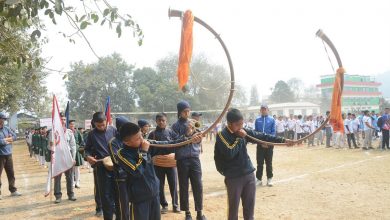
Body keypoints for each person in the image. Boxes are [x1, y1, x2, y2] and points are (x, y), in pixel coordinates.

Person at [214, 108, 291, 220]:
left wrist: (283, 140)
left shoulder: (242, 130)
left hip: (248, 175)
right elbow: (230, 152)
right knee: (233, 211)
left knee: (249, 211)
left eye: (242, 123)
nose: (240, 127)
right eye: (237, 124)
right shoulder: (222, 135)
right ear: (229, 124)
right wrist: (241, 138)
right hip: (233, 178)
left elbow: (261, 136)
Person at [115, 122, 202, 220]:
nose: (142, 140)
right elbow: (137, 171)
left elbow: (169, 144)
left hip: (154, 194)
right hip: (139, 200)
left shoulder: (144, 143)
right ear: (127, 142)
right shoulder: (122, 154)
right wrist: (144, 152)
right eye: (138, 138)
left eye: (141, 136)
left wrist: (188, 139)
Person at [171, 100, 206, 220]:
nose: (187, 113)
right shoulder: (174, 126)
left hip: (195, 158)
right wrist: (188, 134)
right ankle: (187, 212)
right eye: (185, 111)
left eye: (188, 110)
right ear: (180, 112)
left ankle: (199, 212)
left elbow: (200, 137)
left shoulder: (195, 123)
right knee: (184, 185)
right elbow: (175, 142)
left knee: (198, 185)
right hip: (182, 159)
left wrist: (198, 137)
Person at [85, 112, 117, 219]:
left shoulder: (113, 130)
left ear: (106, 121)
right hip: (101, 167)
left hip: (116, 165)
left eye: (103, 124)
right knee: (105, 193)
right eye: (98, 126)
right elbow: (87, 149)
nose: (102, 127)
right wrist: (88, 157)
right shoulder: (91, 134)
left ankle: (117, 212)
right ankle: (106, 215)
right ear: (94, 124)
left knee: (117, 191)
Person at [148, 113, 180, 214]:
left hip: (170, 164)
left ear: (166, 121)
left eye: (163, 120)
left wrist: (174, 156)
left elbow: (178, 143)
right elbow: (148, 150)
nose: (161, 122)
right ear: (156, 121)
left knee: (173, 184)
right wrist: (152, 159)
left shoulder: (171, 132)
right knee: (160, 185)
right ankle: (164, 205)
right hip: (158, 165)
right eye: (159, 120)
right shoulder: (152, 134)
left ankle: (175, 205)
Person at [108, 116, 131, 220]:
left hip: (133, 176)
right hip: (121, 178)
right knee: (123, 205)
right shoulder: (113, 142)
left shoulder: (131, 139)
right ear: (120, 127)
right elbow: (117, 160)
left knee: (133, 203)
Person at [53, 112, 77, 203]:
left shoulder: (69, 132)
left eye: (64, 119)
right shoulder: (53, 132)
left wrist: (73, 158)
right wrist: (52, 144)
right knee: (57, 177)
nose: (63, 121)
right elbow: (49, 146)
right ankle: (58, 196)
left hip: (68, 158)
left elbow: (73, 146)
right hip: (58, 158)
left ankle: (71, 194)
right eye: (61, 119)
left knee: (70, 177)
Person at [0, 112, 21, 199]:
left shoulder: (6, 128)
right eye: (2, 119)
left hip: (8, 154)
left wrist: (6, 139)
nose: (4, 121)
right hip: (0, 155)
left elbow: (15, 137)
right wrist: (8, 140)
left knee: (11, 173)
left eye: (4, 119)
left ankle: (13, 190)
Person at [254, 104, 276, 186]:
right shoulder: (257, 120)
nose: (263, 111)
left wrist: (267, 143)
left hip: (269, 145)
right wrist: (260, 142)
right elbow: (255, 132)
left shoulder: (272, 120)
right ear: (260, 110)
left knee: (269, 163)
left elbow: (273, 133)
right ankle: (259, 179)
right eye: (262, 109)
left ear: (268, 110)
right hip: (260, 145)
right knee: (259, 163)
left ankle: (269, 179)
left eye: (265, 109)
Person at [69, 120, 84, 188]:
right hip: (69, 152)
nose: (72, 125)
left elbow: (82, 141)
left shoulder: (77, 132)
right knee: (71, 168)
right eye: (71, 124)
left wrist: (79, 148)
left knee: (77, 168)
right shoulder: (67, 132)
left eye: (73, 124)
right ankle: (72, 182)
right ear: (69, 125)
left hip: (76, 152)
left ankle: (77, 182)